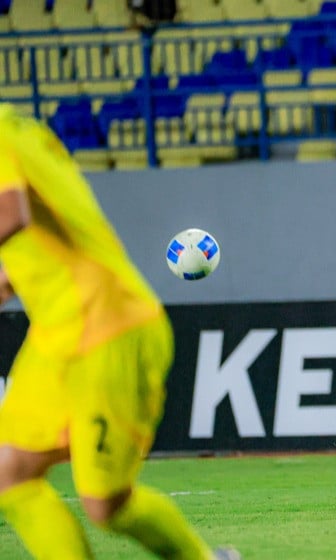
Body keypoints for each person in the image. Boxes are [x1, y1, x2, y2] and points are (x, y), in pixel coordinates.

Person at [0, 104, 238, 559]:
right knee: (9, 474)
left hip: (107, 327)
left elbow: (12, 213)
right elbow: (53, 220)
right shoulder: (18, 130)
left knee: (106, 504)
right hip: (58, 333)